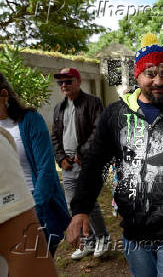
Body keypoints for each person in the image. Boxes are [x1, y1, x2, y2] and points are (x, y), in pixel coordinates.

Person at [65, 34, 163, 277]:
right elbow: (95, 164)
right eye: (150, 73)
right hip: (134, 231)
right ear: (137, 75)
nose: (158, 81)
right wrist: (81, 208)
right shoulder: (115, 115)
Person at [0, 72, 70, 256]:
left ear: (4, 95)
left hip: (36, 204)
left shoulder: (29, 121)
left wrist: (32, 212)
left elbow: (45, 169)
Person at [51, 67, 109, 260]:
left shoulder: (93, 102)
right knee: (72, 205)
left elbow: (99, 130)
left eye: (68, 81)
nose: (64, 85)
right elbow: (55, 136)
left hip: (86, 163)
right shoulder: (59, 108)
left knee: (89, 203)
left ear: (78, 81)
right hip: (67, 165)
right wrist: (60, 158)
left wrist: (82, 153)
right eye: (61, 82)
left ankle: (103, 238)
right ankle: (89, 241)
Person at [0, 127, 58, 277]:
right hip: (22, 201)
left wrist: (37, 203)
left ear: (6, 101)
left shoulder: (30, 120)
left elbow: (46, 165)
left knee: (49, 239)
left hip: (32, 199)